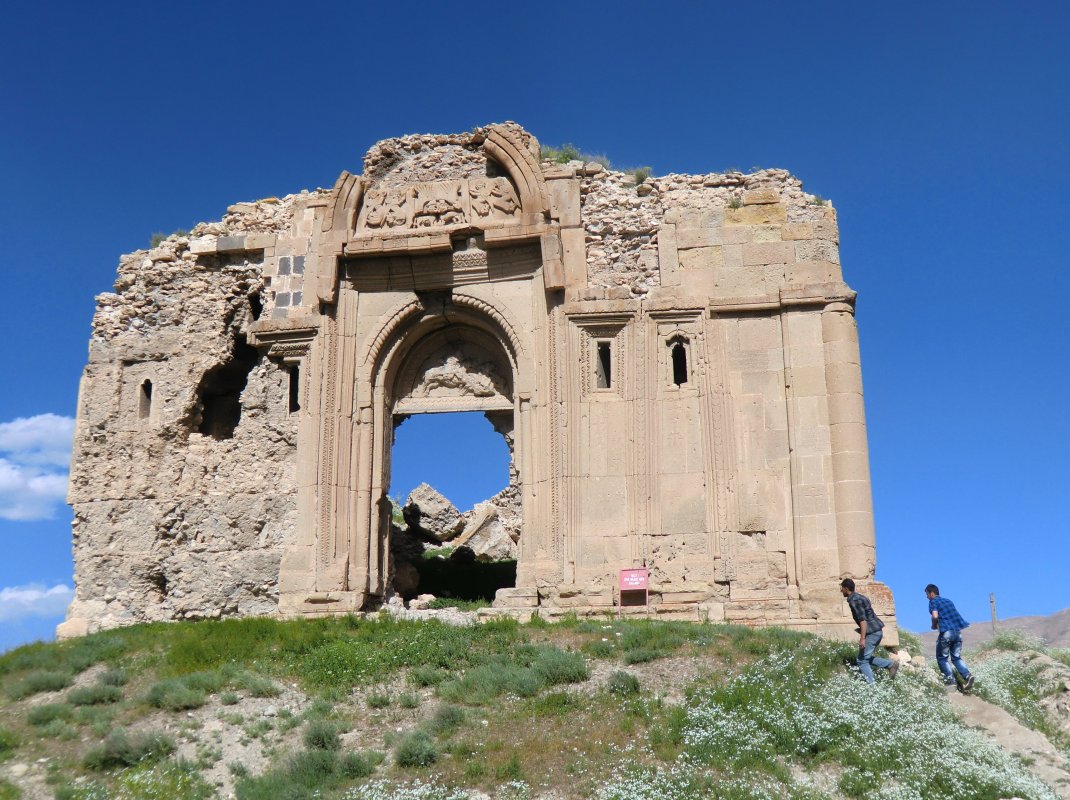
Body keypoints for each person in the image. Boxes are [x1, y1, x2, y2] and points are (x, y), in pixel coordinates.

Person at [840, 578, 899, 683]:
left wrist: (862, 638)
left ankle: (872, 686)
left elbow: (863, 619)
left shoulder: (854, 600)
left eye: (842, 588)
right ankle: (890, 665)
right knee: (865, 658)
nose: (841, 591)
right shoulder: (860, 597)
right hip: (876, 630)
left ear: (846, 588)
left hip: (872, 633)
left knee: (861, 661)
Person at [925, 584, 975, 691]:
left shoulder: (933, 601)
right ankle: (967, 676)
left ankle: (950, 681)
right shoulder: (948, 601)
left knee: (942, 658)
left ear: (931, 593)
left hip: (947, 633)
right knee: (956, 657)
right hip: (957, 633)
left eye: (927, 594)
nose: (927, 597)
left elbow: (935, 615)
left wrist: (934, 625)